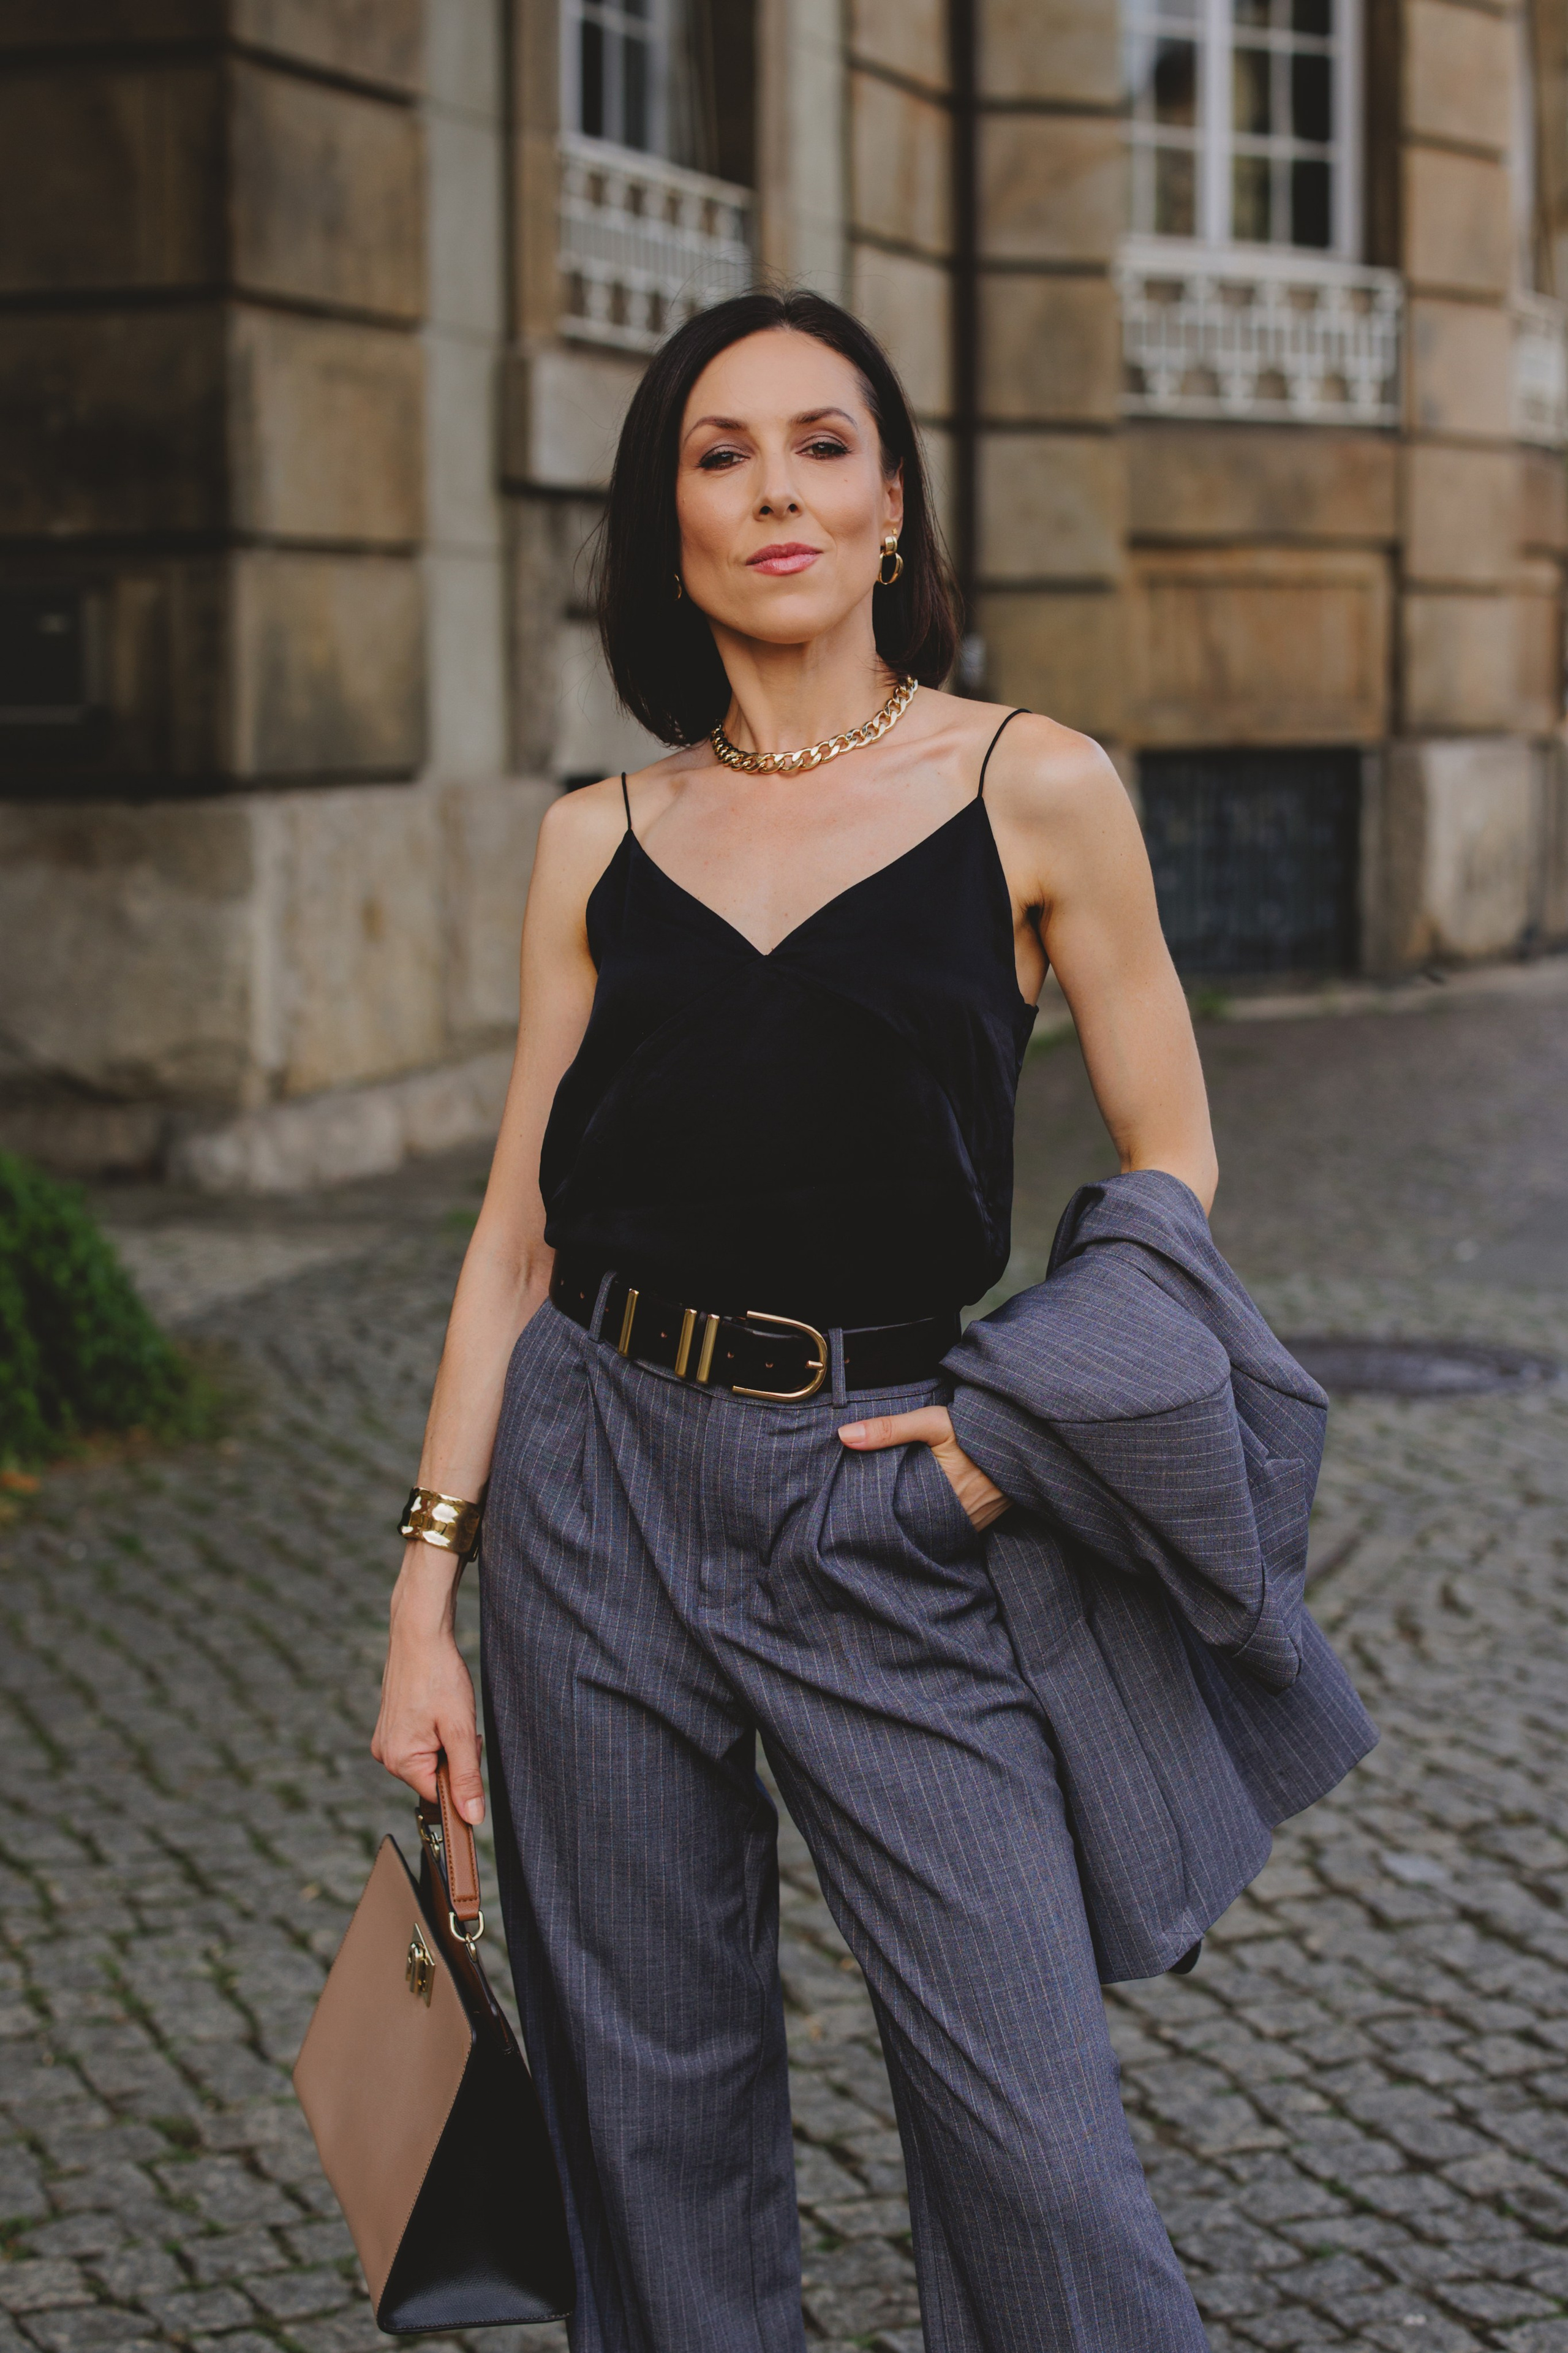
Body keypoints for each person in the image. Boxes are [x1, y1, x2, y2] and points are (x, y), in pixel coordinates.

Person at [372, 289, 1221, 2351]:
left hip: (887, 1488)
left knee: (1032, 2132)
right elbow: (512, 1243)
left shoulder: (1034, 785)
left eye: (821, 444)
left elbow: (1174, 1160)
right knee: (650, 2105)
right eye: (720, 452)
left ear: (895, 507)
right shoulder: (600, 837)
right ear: (672, 527)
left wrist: (1011, 1428)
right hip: (594, 1488)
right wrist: (424, 1596)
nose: (774, 490)